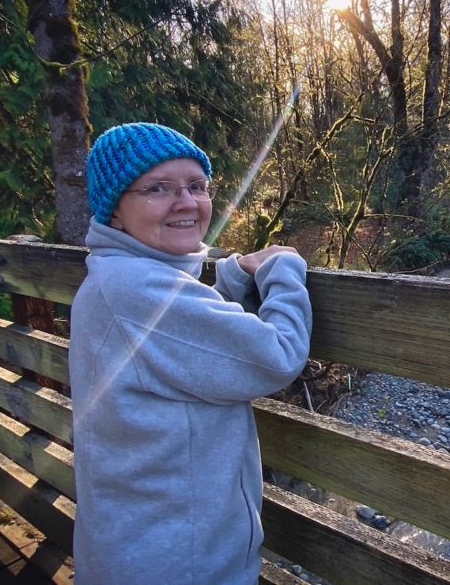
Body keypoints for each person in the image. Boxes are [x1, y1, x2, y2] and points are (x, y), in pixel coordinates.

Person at [68, 122, 312, 584]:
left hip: (139, 543)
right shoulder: (137, 288)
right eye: (157, 188)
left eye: (196, 186)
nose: (187, 202)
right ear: (114, 209)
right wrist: (284, 269)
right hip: (179, 560)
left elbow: (183, 342)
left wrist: (233, 278)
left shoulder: (116, 276)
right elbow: (276, 356)